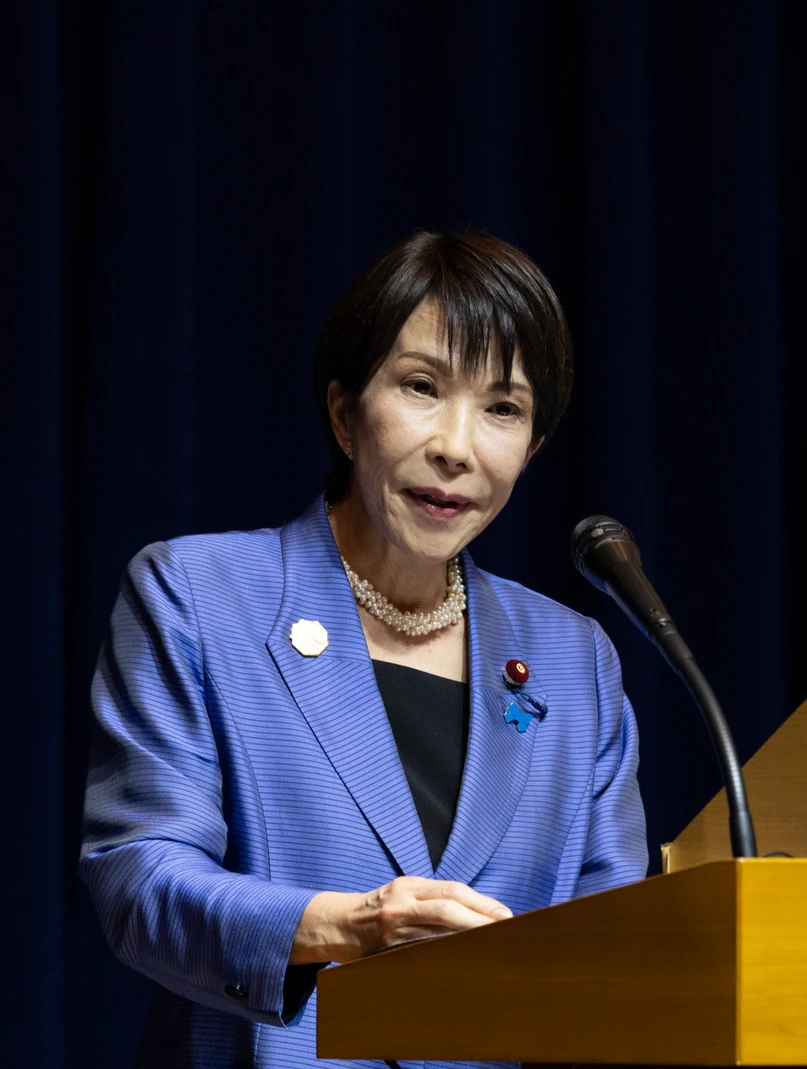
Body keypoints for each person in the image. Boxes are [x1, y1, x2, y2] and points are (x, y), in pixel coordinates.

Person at [79, 232, 647, 1068]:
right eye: (422, 387)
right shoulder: (199, 595)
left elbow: (617, 945)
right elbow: (139, 877)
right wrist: (347, 924)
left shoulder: (576, 662)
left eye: (503, 408)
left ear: (531, 446)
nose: (458, 445)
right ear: (345, 413)